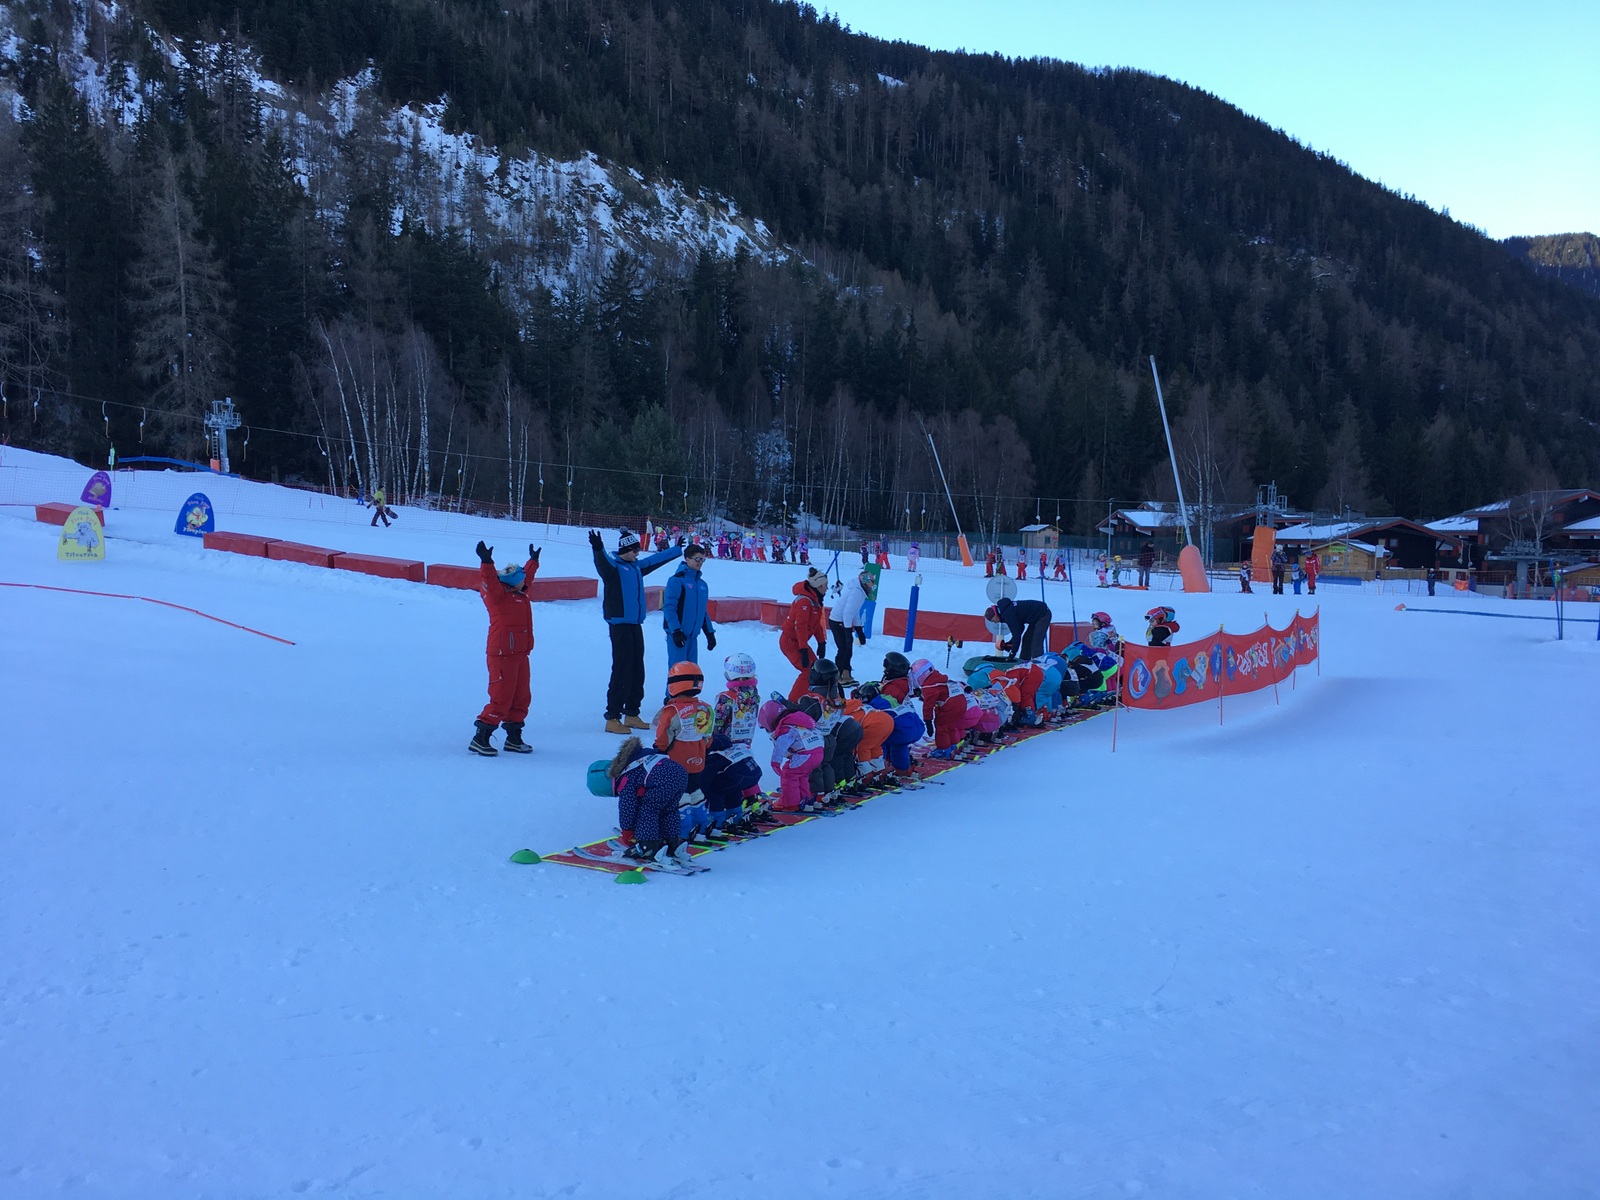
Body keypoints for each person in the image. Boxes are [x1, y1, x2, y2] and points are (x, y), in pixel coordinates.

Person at [590, 527, 682, 734]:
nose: (637, 553)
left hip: (635, 624)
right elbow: (602, 563)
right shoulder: (613, 568)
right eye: (634, 550)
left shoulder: (636, 567)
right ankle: (613, 717)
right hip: (619, 625)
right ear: (625, 550)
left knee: (637, 670)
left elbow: (654, 560)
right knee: (622, 669)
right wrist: (598, 548)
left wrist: (676, 550)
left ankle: (632, 713)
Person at [469, 540, 541, 756]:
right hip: (501, 654)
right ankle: (481, 737)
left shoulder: (520, 593)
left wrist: (533, 562)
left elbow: (526, 577)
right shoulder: (497, 597)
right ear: (513, 582)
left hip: (520, 654)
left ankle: (514, 738)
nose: (525, 582)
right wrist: (487, 562)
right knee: (501, 696)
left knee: (521, 697)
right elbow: (490, 581)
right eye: (521, 579)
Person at [601, 735, 696, 870]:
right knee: (669, 810)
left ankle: (648, 846)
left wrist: (627, 831)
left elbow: (627, 807)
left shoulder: (626, 776)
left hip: (663, 778)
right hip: (680, 773)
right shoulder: (643, 757)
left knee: (648, 810)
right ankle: (672, 843)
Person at [652, 661, 714, 841]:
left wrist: (659, 750)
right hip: (698, 761)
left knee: (680, 795)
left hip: (676, 763)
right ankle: (701, 826)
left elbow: (663, 737)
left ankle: (683, 831)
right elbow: (708, 738)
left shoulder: (671, 711)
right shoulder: (706, 708)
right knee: (695, 791)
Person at [759, 698, 826, 812]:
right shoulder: (799, 723)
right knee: (802, 775)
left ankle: (790, 803)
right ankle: (804, 799)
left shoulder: (786, 728)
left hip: (805, 755)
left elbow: (780, 747)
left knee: (789, 773)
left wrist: (775, 763)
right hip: (818, 752)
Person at [662, 544, 716, 682]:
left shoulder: (702, 584)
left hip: (692, 638)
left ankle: (689, 695)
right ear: (687, 559)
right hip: (679, 635)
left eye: (702, 559)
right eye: (697, 559)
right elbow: (669, 608)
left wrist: (709, 633)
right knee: (678, 674)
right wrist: (676, 631)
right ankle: (672, 695)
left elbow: (702, 611)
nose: (700, 562)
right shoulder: (676, 580)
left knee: (692, 675)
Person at [780, 567, 830, 700]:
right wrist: (803, 650)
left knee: (817, 670)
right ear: (818, 585)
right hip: (790, 642)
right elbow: (800, 626)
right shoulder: (805, 601)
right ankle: (793, 701)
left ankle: (810, 697)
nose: (827, 588)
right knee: (808, 671)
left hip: (800, 642)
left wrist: (821, 642)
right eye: (825, 585)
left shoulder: (815, 600)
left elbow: (816, 624)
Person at [910, 658, 968, 759]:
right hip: (961, 702)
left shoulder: (929, 686)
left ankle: (943, 749)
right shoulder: (938, 678)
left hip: (950, 706)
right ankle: (953, 746)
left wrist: (928, 721)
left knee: (942, 726)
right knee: (951, 725)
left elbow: (928, 705)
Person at [829, 567, 871, 685]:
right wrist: (848, 632)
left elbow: (854, 612)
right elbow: (847, 613)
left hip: (843, 622)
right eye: (871, 582)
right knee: (843, 649)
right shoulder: (856, 592)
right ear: (865, 582)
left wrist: (859, 629)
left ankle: (846, 673)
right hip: (837, 621)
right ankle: (837, 676)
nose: (873, 584)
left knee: (849, 649)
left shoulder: (860, 592)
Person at [986, 595, 1053, 660]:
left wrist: (1012, 653)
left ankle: (1039, 664)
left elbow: (1017, 635)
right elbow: (1020, 628)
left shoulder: (1007, 614)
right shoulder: (1005, 610)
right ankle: (1023, 662)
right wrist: (1011, 642)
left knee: (1036, 642)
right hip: (1036, 617)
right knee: (1027, 640)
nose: (995, 622)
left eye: (993, 620)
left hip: (1043, 614)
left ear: (995, 614)